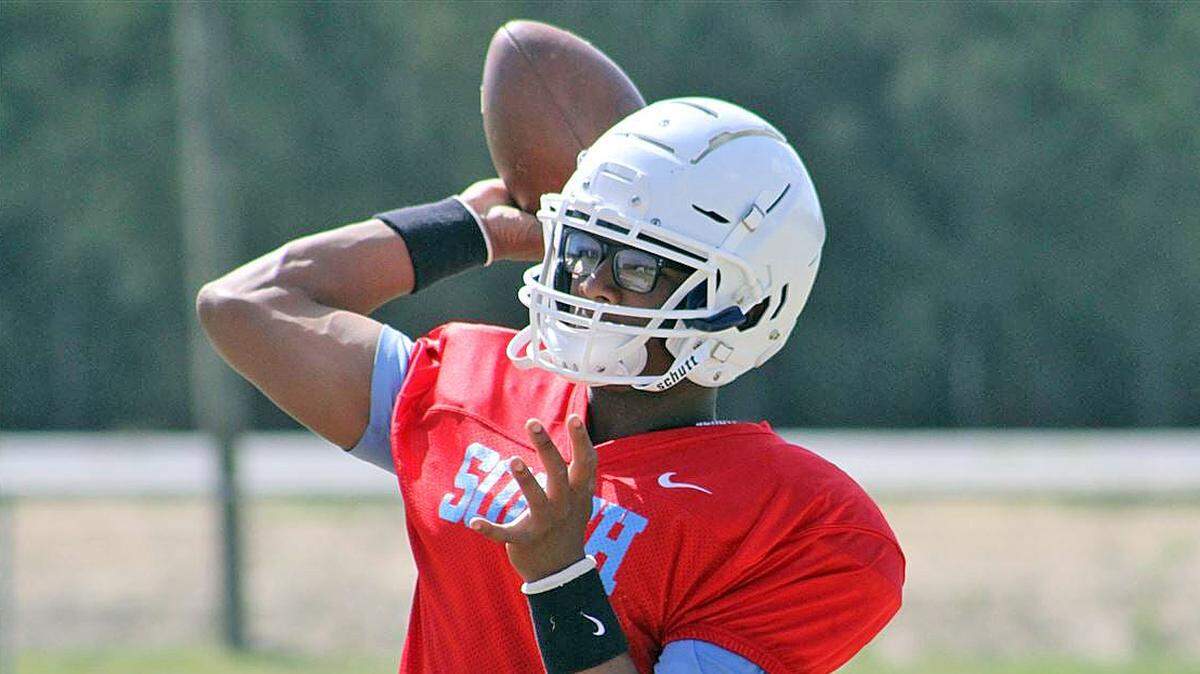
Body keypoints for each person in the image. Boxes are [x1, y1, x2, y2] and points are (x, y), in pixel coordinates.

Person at [198, 97, 904, 673]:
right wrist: (474, 229)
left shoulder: (805, 526)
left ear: (743, 304)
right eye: (587, 247)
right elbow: (246, 307)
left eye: (635, 267)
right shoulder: (479, 384)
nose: (591, 280)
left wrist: (562, 579)